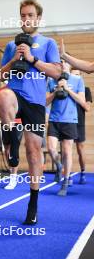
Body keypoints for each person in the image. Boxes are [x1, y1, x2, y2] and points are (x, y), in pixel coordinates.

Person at [0, 0, 61, 224]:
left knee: (34, 153)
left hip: (35, 102)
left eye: (30, 15)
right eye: (23, 15)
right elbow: (0, 76)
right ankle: (13, 140)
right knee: (3, 95)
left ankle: (33, 204)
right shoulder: (11, 45)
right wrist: (14, 59)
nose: (26, 19)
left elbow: (56, 72)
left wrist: (32, 59)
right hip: (15, 95)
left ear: (38, 18)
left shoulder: (48, 43)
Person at [46, 60, 85, 196]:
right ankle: (58, 166)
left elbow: (82, 101)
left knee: (67, 152)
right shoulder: (51, 80)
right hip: (54, 119)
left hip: (69, 120)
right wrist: (56, 91)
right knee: (51, 148)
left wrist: (67, 89)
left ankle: (65, 182)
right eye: (60, 62)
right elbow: (45, 102)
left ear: (69, 65)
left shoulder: (77, 80)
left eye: (65, 62)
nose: (62, 64)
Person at [71, 69, 92, 184]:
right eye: (74, 76)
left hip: (79, 122)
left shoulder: (86, 90)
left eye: (78, 75)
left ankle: (83, 172)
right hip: (66, 121)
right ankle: (65, 174)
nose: (76, 78)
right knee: (66, 149)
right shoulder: (66, 87)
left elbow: (87, 107)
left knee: (80, 149)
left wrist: (75, 96)